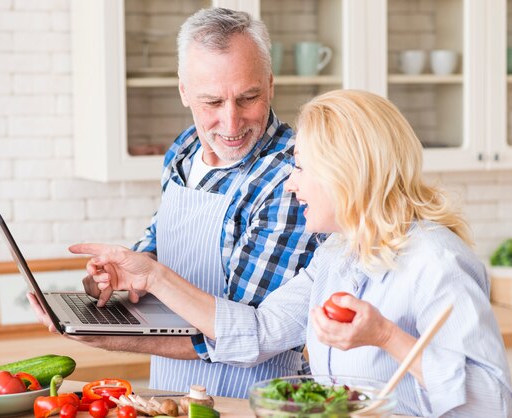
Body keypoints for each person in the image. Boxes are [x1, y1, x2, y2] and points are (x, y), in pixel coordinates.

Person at [69, 90, 512, 416]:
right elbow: (261, 330)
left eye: (301, 167)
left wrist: (387, 336)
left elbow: (493, 404)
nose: (290, 183)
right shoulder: (338, 255)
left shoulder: (437, 260)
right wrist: (152, 276)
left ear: (346, 173)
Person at [29, 7, 318, 398]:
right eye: (212, 103)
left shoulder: (291, 176)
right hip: (172, 393)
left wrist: (110, 337)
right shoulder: (184, 150)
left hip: (252, 398)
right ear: (183, 91)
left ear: (270, 84)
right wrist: (114, 281)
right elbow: (157, 249)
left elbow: (247, 336)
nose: (231, 125)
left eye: (248, 98)